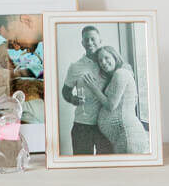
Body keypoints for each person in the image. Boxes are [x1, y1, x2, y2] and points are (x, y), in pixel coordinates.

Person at [83, 43, 151, 155]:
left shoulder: (121, 74)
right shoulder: (118, 75)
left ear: (115, 56)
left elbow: (111, 106)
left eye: (106, 58)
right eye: (100, 61)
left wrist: (94, 88)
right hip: (121, 136)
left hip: (128, 136)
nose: (103, 62)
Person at [60, 24, 111, 156]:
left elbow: (122, 70)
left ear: (100, 41)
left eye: (93, 39)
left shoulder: (108, 62)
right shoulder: (75, 67)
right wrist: (72, 98)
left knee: (107, 167)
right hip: (82, 125)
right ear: (82, 42)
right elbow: (65, 91)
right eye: (86, 39)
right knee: (82, 169)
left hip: (105, 124)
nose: (89, 42)